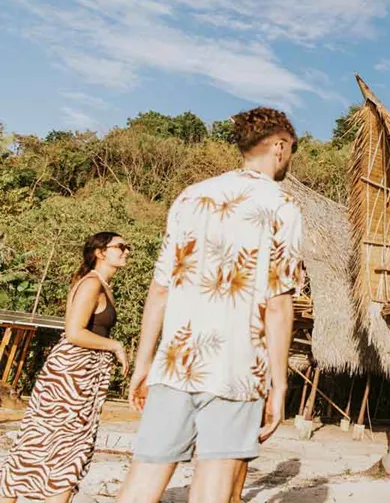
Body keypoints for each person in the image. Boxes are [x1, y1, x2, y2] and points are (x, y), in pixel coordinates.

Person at [116, 107, 304, 503]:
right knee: (213, 493)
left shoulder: (190, 196)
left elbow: (161, 288)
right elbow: (278, 304)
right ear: (280, 146)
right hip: (237, 371)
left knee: (140, 485)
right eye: (292, 150)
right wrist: (279, 385)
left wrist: (143, 364)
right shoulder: (281, 206)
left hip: (175, 364)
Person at [0, 232, 131, 502]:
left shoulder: (102, 285)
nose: (126, 251)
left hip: (85, 375)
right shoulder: (91, 284)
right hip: (71, 375)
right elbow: (73, 332)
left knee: (66, 446)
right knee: (51, 443)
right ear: (100, 253)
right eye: (120, 247)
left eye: (126, 247)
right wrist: (116, 346)